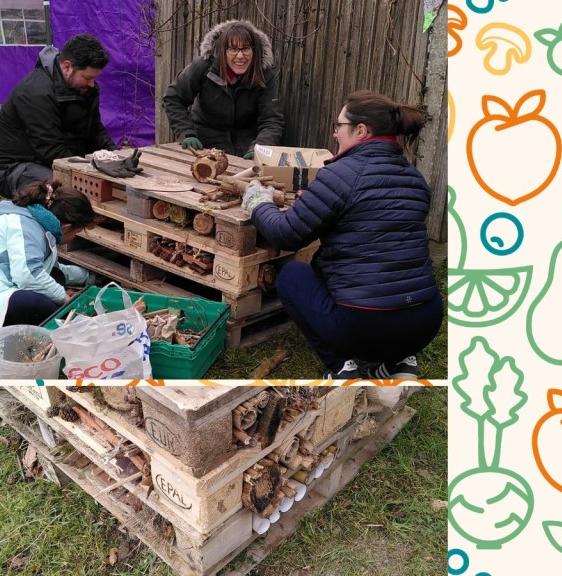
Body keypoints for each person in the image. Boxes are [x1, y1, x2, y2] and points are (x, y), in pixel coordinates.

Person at [241, 90, 442, 380]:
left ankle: (341, 366)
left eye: (339, 126)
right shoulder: (415, 178)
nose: (335, 134)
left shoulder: (342, 174)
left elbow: (286, 234)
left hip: (365, 325)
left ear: (361, 131)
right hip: (425, 322)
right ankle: (399, 361)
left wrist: (258, 202)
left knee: (292, 276)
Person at [0, 34, 117, 199]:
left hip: (49, 160)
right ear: (67, 67)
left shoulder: (85, 89)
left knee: (102, 185)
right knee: (70, 193)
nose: (92, 84)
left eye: (95, 78)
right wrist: (90, 171)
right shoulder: (35, 93)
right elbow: (50, 149)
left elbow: (95, 130)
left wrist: (116, 157)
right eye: (88, 78)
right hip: (10, 168)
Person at [0, 180, 97, 350]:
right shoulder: (26, 227)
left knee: (54, 279)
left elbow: (51, 269)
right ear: (66, 227)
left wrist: (89, 276)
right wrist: (66, 300)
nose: (74, 237)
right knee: (40, 305)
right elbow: (27, 275)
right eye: (77, 232)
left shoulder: (34, 222)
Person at [163, 19, 284, 159]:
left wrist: (260, 148)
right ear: (222, 51)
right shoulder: (203, 67)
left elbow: (272, 119)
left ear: (254, 51)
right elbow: (173, 98)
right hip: (205, 144)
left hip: (247, 147)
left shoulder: (264, 75)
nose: (240, 56)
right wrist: (186, 133)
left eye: (246, 49)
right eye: (233, 49)